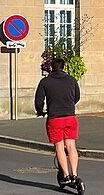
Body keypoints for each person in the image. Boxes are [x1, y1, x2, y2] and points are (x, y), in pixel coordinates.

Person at [35, 58, 82, 189]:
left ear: (51, 67)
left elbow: (39, 101)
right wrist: (68, 105)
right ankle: (75, 175)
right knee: (71, 146)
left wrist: (40, 111)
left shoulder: (45, 82)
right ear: (63, 67)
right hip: (70, 117)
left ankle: (66, 175)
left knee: (59, 147)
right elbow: (77, 97)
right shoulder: (72, 80)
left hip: (55, 119)